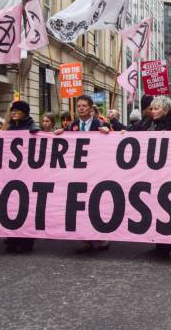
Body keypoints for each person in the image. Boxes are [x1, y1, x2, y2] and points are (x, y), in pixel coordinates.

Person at [56, 95, 111, 254]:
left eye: (84, 106)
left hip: (96, 171)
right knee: (81, 205)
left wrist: (108, 132)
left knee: (98, 203)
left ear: (91, 108)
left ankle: (102, 236)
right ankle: (86, 238)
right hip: (79, 173)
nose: (80, 108)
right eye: (78, 106)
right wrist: (60, 133)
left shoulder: (100, 124)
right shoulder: (72, 126)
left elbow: (112, 143)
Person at [140, 96, 171, 258]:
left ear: (166, 110)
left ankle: (164, 247)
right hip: (152, 173)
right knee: (154, 207)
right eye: (152, 108)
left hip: (166, 175)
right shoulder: (151, 124)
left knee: (165, 207)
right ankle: (159, 244)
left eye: (156, 108)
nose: (153, 111)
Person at [3, 100, 39, 253]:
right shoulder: (10, 128)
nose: (14, 112)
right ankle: (12, 240)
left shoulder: (33, 129)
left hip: (28, 176)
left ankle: (26, 243)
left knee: (26, 209)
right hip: (12, 176)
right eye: (12, 110)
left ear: (25, 112)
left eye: (17, 110)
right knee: (11, 209)